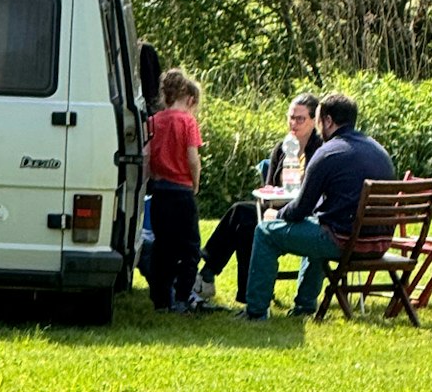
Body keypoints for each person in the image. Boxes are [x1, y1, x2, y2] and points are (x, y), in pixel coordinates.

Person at [243, 91, 394, 322]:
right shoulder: (378, 150)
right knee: (318, 226)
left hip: (345, 242)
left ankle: (255, 312)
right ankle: (304, 306)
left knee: (265, 233)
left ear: (328, 121)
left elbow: (301, 208)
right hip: (379, 243)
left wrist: (277, 213)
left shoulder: (328, 153)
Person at [190, 92, 320, 308]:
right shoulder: (282, 147)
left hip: (304, 212)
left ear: (314, 121)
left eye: (300, 119)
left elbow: (313, 194)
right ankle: (221, 282)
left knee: (243, 214)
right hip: (278, 207)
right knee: (245, 220)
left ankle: (207, 274)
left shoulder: (319, 149)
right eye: (291, 117)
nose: (294, 124)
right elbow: (269, 188)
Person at [145, 67, 203, 312]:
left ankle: (160, 299)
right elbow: (192, 157)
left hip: (160, 191)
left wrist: (149, 180)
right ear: (188, 98)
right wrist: (196, 181)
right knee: (190, 247)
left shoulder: (153, 121)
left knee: (162, 247)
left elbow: (146, 155)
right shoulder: (188, 122)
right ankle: (182, 297)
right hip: (182, 190)